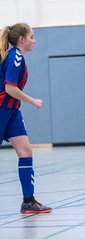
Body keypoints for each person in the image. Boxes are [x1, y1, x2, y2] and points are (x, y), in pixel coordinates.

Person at [0, 23, 52, 214]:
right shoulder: (15, 57)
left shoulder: (17, 57)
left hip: (12, 111)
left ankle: (28, 201)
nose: (34, 40)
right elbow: (9, 89)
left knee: (25, 152)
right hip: (1, 109)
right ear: (21, 39)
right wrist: (33, 101)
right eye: (31, 36)